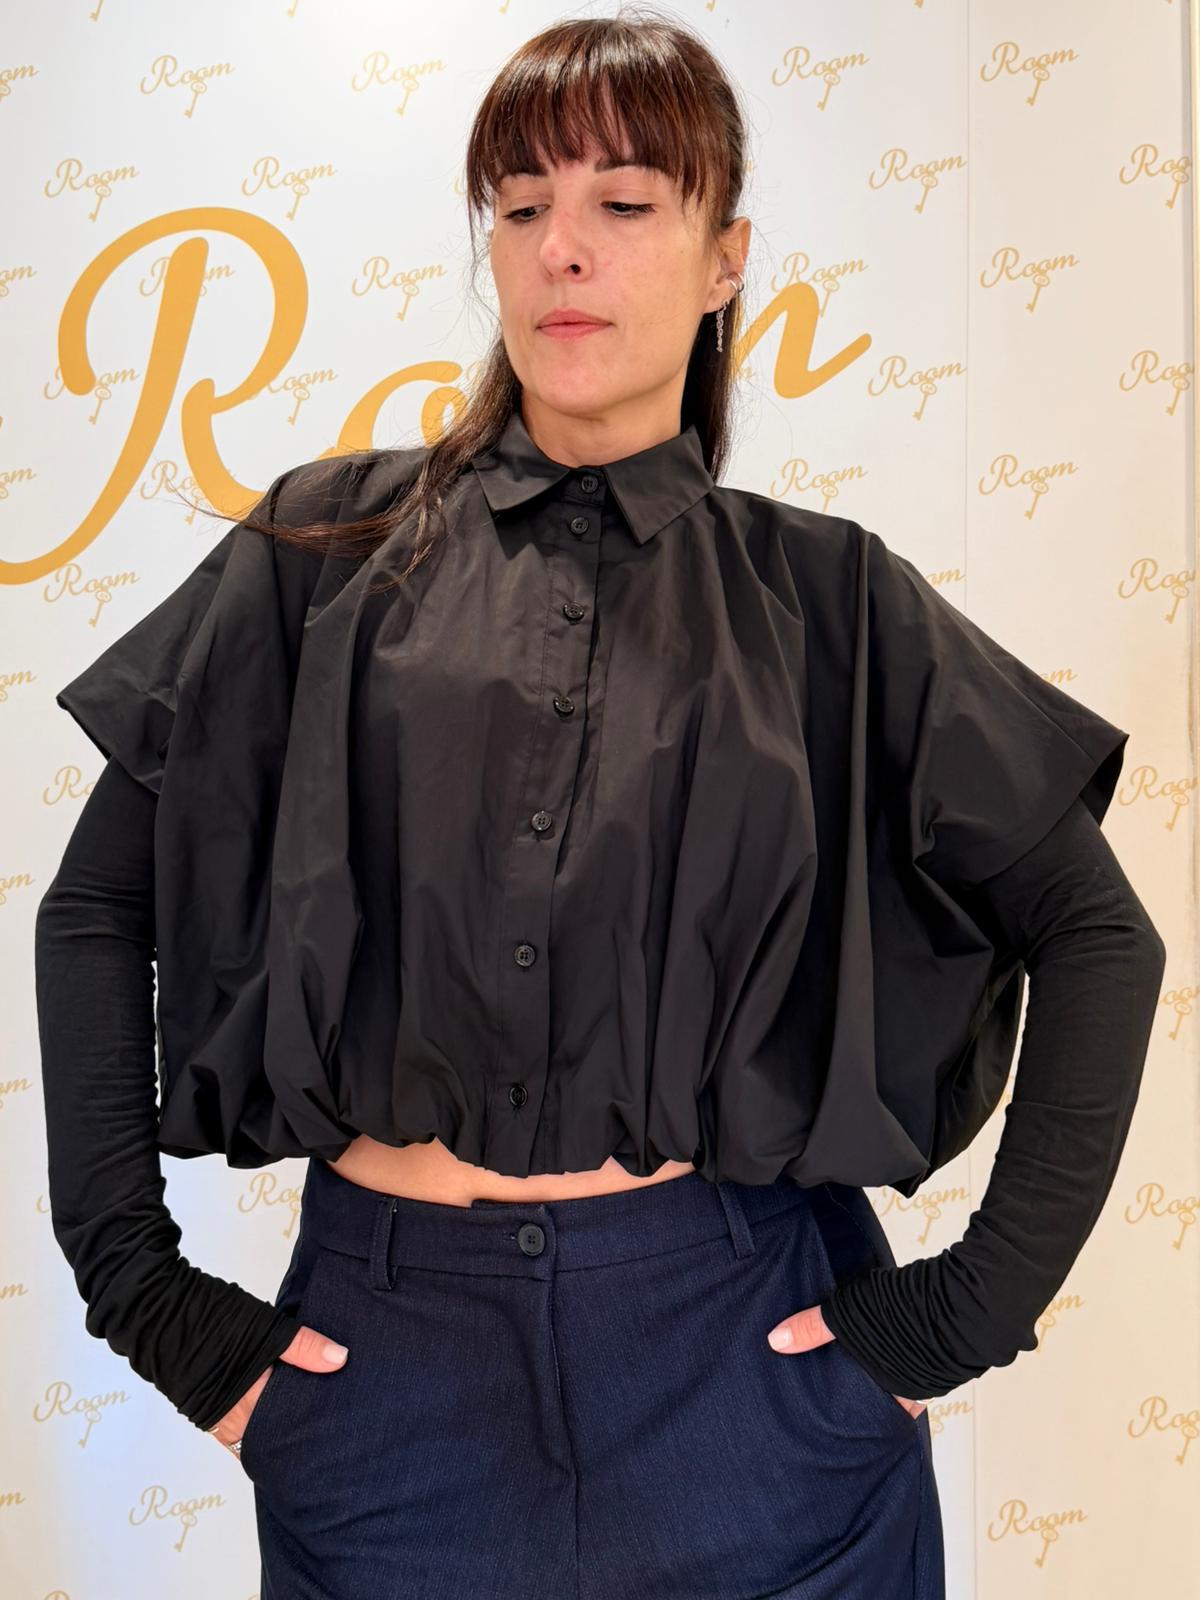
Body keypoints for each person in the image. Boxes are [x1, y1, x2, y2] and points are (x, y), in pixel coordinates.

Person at [33, 10, 1165, 1599]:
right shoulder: (316, 557)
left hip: (749, 1366)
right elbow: (98, 905)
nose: (564, 246)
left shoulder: (833, 602)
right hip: (385, 1377)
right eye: (521, 205)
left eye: (626, 202)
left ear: (724, 258)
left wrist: (958, 1316)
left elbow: (1100, 937)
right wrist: (147, 1300)